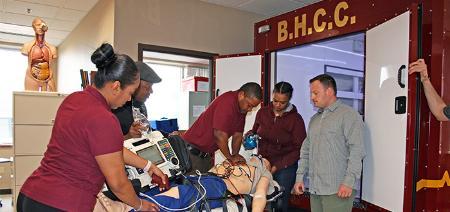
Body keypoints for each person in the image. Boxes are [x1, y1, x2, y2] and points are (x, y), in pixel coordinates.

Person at [17, 43, 166, 212]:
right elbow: (118, 184)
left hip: (30, 196)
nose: (128, 100)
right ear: (116, 86)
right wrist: (140, 206)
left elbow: (109, 149)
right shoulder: (104, 119)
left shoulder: (73, 100)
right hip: (61, 204)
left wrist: (148, 165)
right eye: (130, 93)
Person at [94, 155, 281, 212]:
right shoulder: (241, 161)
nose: (259, 158)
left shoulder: (263, 173)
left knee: (182, 195)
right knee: (174, 189)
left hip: (219, 188)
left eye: (263, 159)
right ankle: (124, 205)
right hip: (204, 178)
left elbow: (259, 196)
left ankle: (125, 209)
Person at [293, 74, 365, 212]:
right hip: (315, 189)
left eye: (315, 93)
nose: (312, 97)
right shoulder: (314, 119)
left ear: (329, 91)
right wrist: (299, 177)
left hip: (338, 190)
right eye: (311, 93)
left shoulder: (348, 115)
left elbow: (357, 151)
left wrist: (348, 182)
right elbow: (306, 151)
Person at [249, 81, 306, 212]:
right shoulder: (262, 112)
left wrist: (278, 166)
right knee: (259, 196)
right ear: (272, 96)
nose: (278, 105)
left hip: (285, 165)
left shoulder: (296, 120)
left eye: (282, 102)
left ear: (289, 100)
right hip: (263, 161)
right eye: (275, 100)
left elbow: (300, 149)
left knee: (280, 203)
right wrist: (250, 135)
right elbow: (255, 130)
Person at [182, 82, 262, 173]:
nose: (250, 109)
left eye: (253, 107)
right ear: (241, 95)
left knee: (206, 184)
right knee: (192, 186)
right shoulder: (227, 102)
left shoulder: (241, 109)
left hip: (206, 156)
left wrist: (235, 154)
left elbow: (238, 135)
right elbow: (219, 135)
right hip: (191, 154)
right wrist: (230, 158)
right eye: (249, 105)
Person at [112, 61, 162, 139]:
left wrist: (167, 135)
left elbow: (146, 130)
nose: (151, 91)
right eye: (147, 87)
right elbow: (106, 142)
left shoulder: (141, 106)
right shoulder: (116, 107)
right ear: (135, 85)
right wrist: (128, 136)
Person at [21, 17, 57, 92]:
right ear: (34, 27)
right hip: (31, 78)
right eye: (38, 25)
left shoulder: (52, 48)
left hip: (48, 78)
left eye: (42, 25)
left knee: (51, 101)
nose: (40, 27)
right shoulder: (27, 46)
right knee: (30, 101)